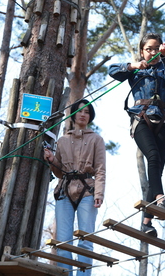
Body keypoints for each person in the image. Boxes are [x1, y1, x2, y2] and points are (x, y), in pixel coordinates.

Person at [108, 32, 165, 237]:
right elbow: (112, 71)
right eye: (148, 48)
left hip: (164, 119)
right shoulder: (136, 71)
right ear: (142, 51)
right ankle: (160, 200)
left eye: (155, 48)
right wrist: (133, 66)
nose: (151, 52)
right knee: (153, 156)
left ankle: (147, 222)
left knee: (156, 167)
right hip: (141, 118)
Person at [44, 99, 106, 276]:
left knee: (85, 239)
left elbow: (101, 169)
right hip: (65, 190)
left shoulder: (96, 139)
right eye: (79, 111)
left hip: (87, 190)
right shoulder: (63, 141)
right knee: (63, 241)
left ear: (90, 116)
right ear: (72, 115)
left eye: (87, 112)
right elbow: (60, 172)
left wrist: (99, 193)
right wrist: (52, 160)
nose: (83, 115)